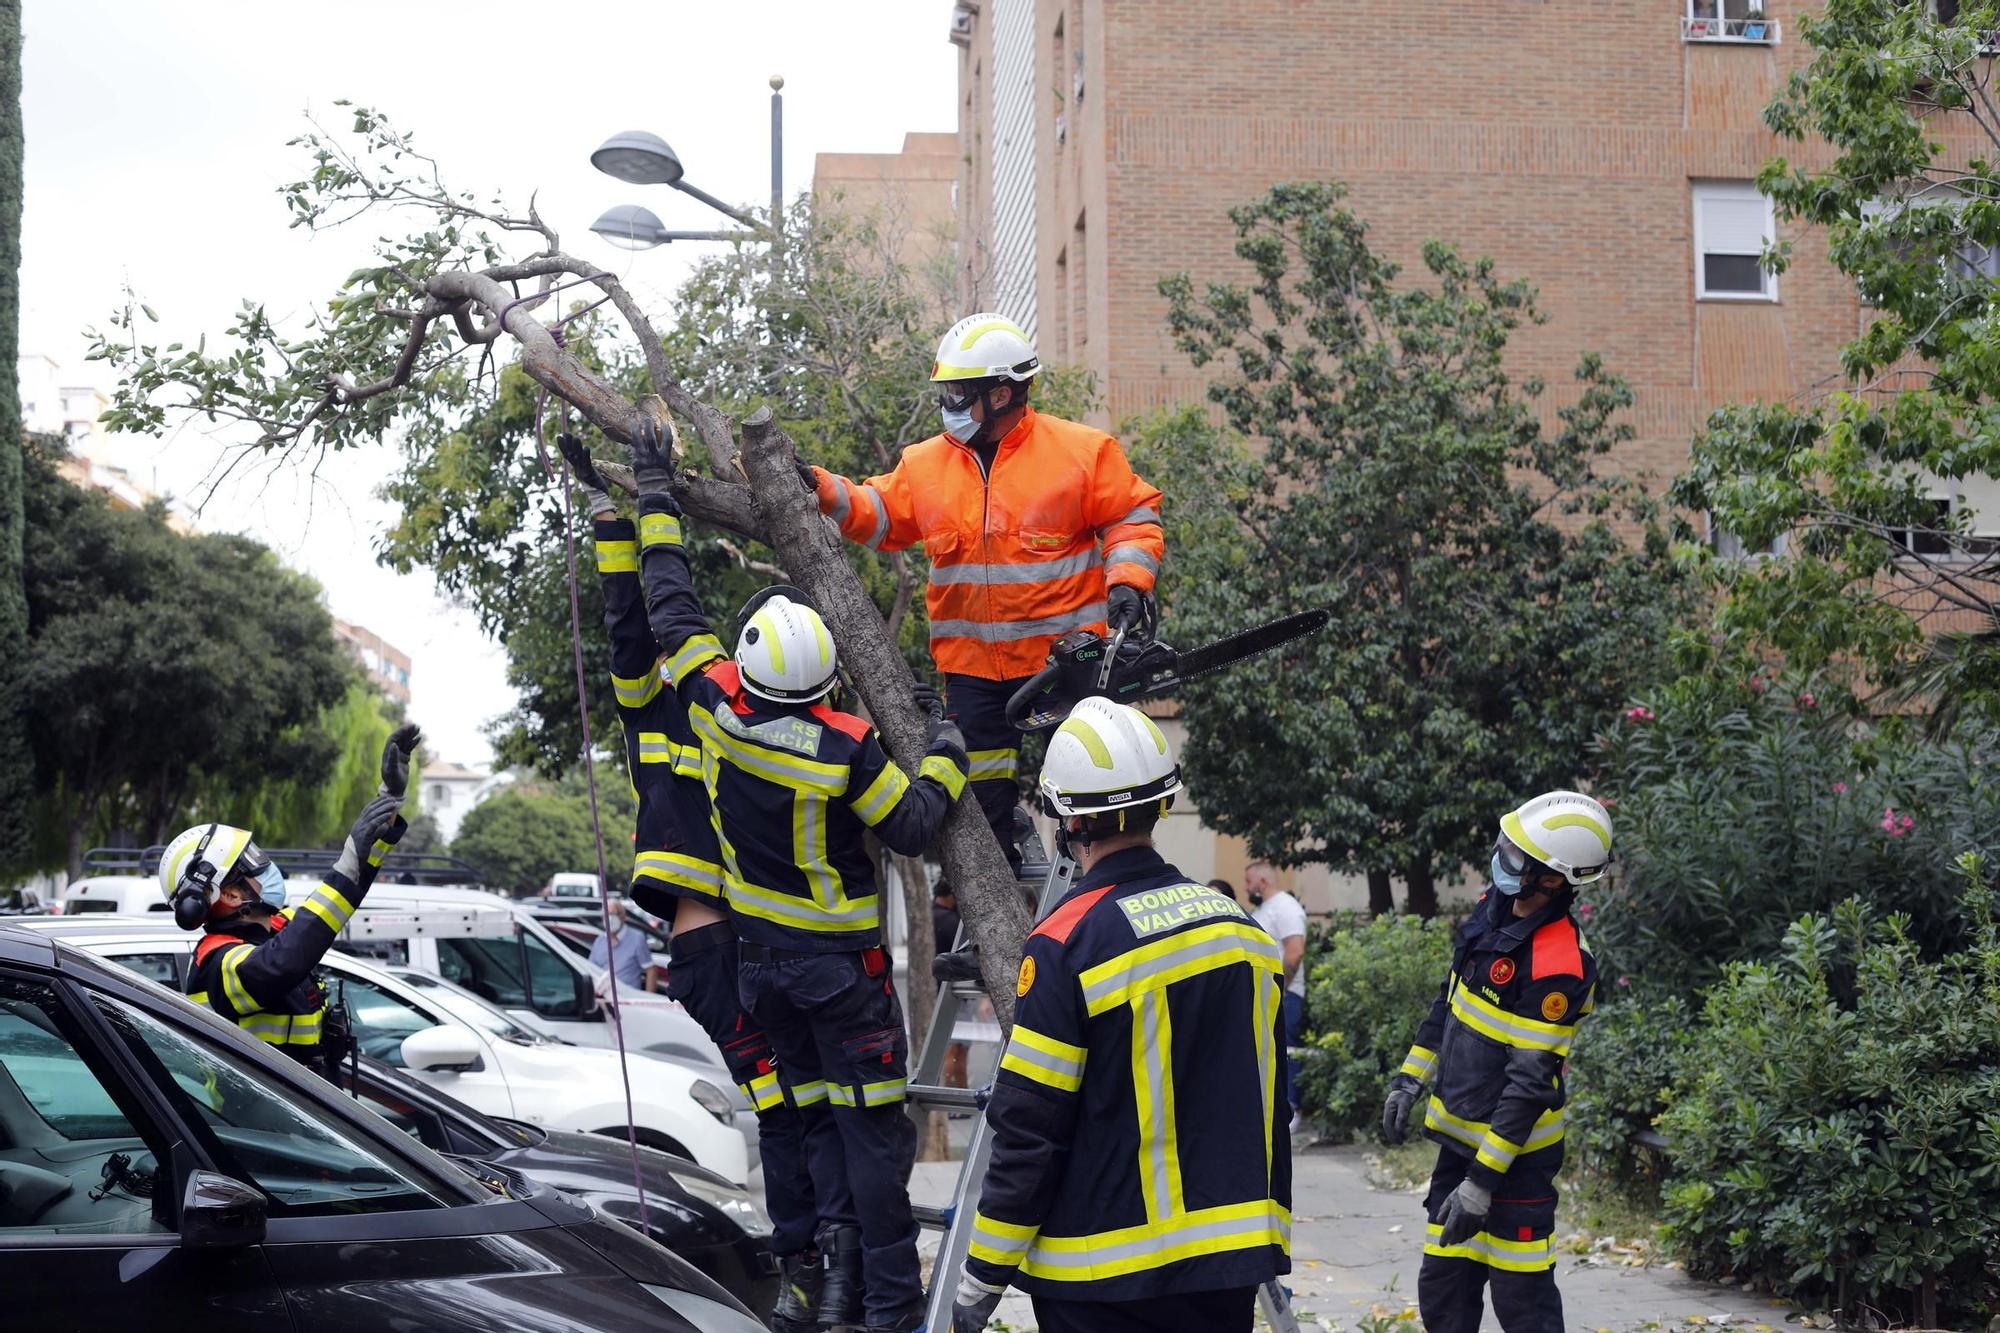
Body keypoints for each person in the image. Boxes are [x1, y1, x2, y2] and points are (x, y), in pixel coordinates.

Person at [625, 416, 970, 1333]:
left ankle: (829, 1294)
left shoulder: (714, 709)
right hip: (845, 981)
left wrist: (654, 492)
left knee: (812, 1128)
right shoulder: (845, 745)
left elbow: (672, 607)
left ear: (745, 671)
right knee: (871, 1136)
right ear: (823, 684)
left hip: (765, 973)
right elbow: (918, 821)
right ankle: (888, 1312)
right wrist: (943, 746)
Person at [564, 428, 843, 1333]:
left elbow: (646, 617)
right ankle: (807, 1269)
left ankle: (814, 1262)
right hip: (717, 950)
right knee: (793, 1111)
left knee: (800, 1111)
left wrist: (633, 497)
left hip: (732, 950)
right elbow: (633, 615)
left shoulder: (731, 718)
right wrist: (617, 507)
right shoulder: (674, 705)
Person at [952, 698, 1291, 1333]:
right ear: (1162, 805)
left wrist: (983, 1275)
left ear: (1064, 819)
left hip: (1103, 1280)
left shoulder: (1065, 942)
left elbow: (1030, 1129)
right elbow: (1274, 1101)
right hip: (1229, 1265)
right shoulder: (1242, 932)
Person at [805, 312, 1165, 867]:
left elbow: (1133, 517)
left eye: (957, 390)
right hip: (972, 675)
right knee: (979, 807)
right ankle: (989, 937)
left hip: (1064, 666)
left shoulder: (1081, 453)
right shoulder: (925, 465)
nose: (947, 402)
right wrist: (823, 489)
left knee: (1088, 791)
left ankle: (1093, 900)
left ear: (1001, 393)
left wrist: (1129, 582)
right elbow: (880, 514)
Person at [1380, 791, 1609, 1333]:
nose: (1500, 857)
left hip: (1516, 1161)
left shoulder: (1560, 964)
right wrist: (1408, 1080)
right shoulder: (1493, 911)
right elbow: (1450, 1000)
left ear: (1551, 880)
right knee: (1444, 1292)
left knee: (1521, 1301)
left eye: (1514, 855)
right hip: (1460, 1147)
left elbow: (1530, 1085)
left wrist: (1482, 1184)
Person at [163, 724, 420, 1081]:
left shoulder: (275, 931)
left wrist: (389, 798)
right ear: (231, 894)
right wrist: (350, 853)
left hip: (303, 1112)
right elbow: (284, 960)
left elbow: (340, 897)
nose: (267, 867)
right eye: (252, 864)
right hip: (258, 1127)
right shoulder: (218, 962)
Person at [1246, 859, 1309, 1133]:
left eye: (1248, 881)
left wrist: (1279, 990)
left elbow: (1294, 951)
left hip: (1286, 995)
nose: (1246, 887)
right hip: (1266, 994)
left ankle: (1292, 1110)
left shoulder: (1285, 907)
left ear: (1263, 881)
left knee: (1287, 1051)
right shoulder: (1264, 910)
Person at [588, 898, 656, 992]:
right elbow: (590, 970)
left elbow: (651, 970)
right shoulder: (599, 941)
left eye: (613, 914)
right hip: (606, 999)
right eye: (606, 915)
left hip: (630, 999)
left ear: (623, 916)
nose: (610, 918)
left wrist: (648, 1000)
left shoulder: (637, 938)